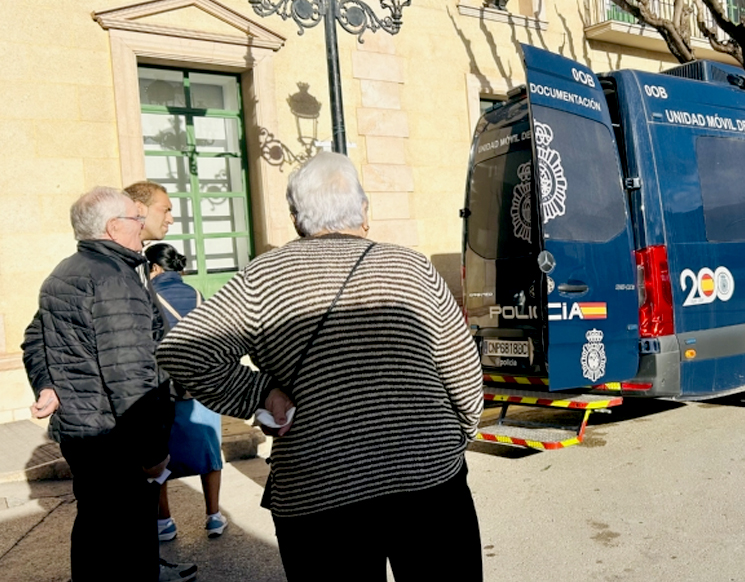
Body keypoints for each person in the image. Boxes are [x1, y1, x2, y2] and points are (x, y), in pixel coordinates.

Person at [157, 152, 485, 581]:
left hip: (317, 487)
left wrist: (262, 395)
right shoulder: (411, 266)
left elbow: (183, 350)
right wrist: (460, 434)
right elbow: (461, 370)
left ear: (296, 218)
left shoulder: (263, 277)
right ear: (364, 211)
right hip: (428, 479)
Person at [21, 186, 197, 582]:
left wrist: (46, 386)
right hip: (115, 436)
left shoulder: (64, 272)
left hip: (83, 434)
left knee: (97, 529)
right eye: (136, 218)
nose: (142, 224)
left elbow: (34, 339)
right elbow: (130, 375)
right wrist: (153, 452)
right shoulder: (113, 279)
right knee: (124, 540)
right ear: (114, 227)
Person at [146, 243, 228, 540]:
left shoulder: (147, 296)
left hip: (163, 389)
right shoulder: (196, 294)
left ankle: (165, 521)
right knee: (210, 451)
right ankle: (214, 516)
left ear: (154, 268)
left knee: (157, 456)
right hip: (200, 386)